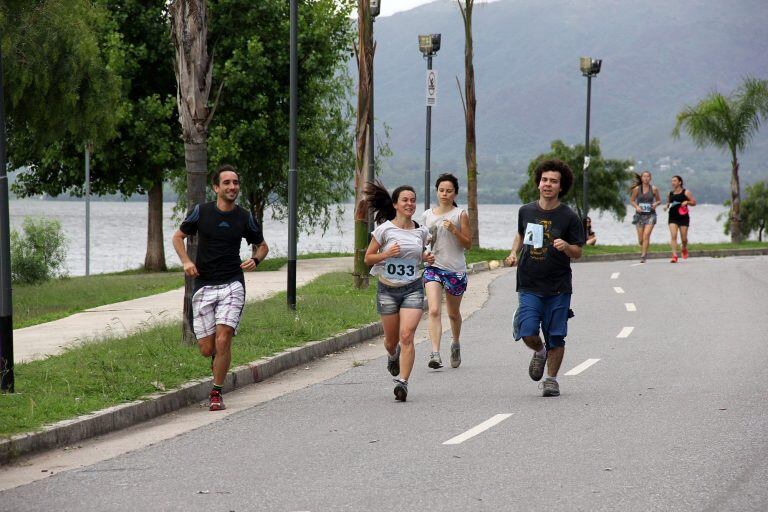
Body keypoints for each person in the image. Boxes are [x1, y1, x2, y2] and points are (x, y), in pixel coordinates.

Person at [172, 164, 269, 411]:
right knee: (207, 349)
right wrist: (186, 261)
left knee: (224, 338)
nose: (232, 187)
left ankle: (216, 393)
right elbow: (177, 237)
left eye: (235, 183)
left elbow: (262, 246)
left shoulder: (244, 217)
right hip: (204, 285)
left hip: (232, 283)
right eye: (226, 183)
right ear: (216, 187)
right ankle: (216, 360)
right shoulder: (201, 212)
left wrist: (256, 259)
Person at [504, 159, 584, 397]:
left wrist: (566, 246)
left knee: (556, 335)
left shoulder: (569, 217)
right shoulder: (526, 211)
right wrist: (512, 253)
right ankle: (539, 351)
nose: (548, 184)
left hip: (558, 286)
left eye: (554, 181)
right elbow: (520, 235)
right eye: (545, 180)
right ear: (538, 183)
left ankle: (551, 379)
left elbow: (578, 252)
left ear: (561, 186)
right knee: (528, 331)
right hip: (529, 282)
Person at [364, 181, 434, 402]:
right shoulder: (384, 230)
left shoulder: (421, 231)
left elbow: (418, 254)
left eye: (413, 200)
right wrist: (386, 254)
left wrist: (425, 258)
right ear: (395, 204)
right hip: (387, 289)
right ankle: (392, 355)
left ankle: (403, 382)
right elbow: (367, 259)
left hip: (412, 288)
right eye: (405, 200)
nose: (410, 204)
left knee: (407, 335)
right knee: (391, 341)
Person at [421, 173, 472, 370]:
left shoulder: (460, 215)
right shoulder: (427, 215)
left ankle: (456, 342)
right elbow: (424, 241)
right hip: (433, 267)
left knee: (453, 314)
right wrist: (425, 250)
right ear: (437, 192)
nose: (444, 194)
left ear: (455, 193)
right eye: (441, 190)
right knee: (433, 310)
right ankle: (435, 353)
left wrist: (454, 230)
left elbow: (468, 244)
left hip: (455, 270)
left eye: (449, 191)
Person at [629, 171, 661, 263]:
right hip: (639, 216)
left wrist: (655, 204)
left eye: (648, 176)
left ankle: (643, 255)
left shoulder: (654, 189)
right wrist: (637, 207)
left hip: (651, 215)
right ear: (641, 178)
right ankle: (643, 248)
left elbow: (659, 200)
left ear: (650, 178)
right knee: (641, 239)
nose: (646, 178)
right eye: (644, 176)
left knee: (646, 235)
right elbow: (632, 200)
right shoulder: (637, 189)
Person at [664, 175, 696, 263]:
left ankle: (684, 248)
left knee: (684, 238)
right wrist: (666, 206)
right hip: (672, 217)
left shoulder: (686, 192)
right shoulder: (670, 193)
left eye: (674, 181)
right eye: (672, 181)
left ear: (680, 182)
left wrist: (688, 202)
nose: (673, 183)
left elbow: (694, 202)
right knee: (673, 236)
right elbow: (668, 203)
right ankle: (674, 256)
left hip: (683, 217)